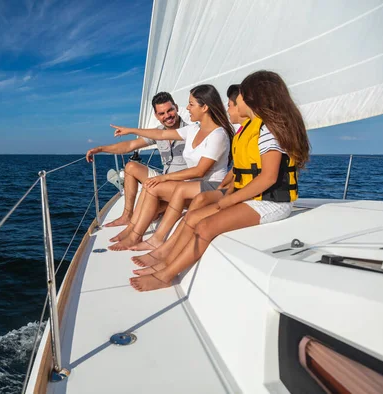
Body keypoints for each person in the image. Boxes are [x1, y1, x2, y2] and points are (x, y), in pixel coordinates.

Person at [129, 70, 310, 291]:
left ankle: (166, 275)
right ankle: (166, 260)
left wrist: (227, 201)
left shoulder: (269, 131)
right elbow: (246, 168)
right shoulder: (251, 129)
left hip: (270, 202)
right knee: (194, 216)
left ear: (255, 98)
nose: (232, 103)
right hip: (252, 196)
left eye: (240, 96)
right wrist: (228, 188)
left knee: (206, 226)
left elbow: (268, 177)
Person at [108, 84, 234, 251]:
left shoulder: (218, 134)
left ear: (204, 107)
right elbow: (160, 134)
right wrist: (130, 130)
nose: (187, 108)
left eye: (191, 104)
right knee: (151, 185)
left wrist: (163, 177)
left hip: (210, 186)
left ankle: (137, 235)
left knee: (154, 186)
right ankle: (133, 231)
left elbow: (200, 171)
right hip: (193, 185)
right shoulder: (193, 129)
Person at [85, 92, 188, 227]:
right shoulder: (157, 132)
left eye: (170, 110)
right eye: (162, 113)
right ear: (156, 116)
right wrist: (100, 149)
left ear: (176, 108)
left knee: (147, 215)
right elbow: (130, 145)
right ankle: (127, 215)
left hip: (184, 185)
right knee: (131, 166)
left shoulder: (191, 131)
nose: (167, 116)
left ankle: (169, 206)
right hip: (165, 180)